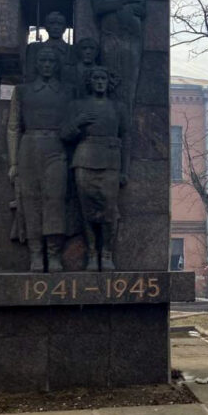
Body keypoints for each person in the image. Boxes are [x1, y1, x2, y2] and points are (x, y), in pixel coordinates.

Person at [7, 45, 93, 272]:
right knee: (31, 202)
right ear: (36, 64)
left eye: (51, 61)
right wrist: (14, 162)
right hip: (29, 147)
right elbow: (14, 127)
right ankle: (36, 254)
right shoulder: (23, 91)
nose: (46, 65)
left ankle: (54, 254)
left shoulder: (68, 91)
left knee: (55, 201)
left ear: (57, 65)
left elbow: (75, 126)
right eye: (43, 61)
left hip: (56, 148)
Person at [68, 66, 130, 271]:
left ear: (109, 81)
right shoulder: (79, 105)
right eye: (96, 78)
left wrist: (124, 170)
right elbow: (64, 134)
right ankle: (92, 253)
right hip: (85, 160)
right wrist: (78, 122)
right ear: (90, 81)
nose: (100, 81)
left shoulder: (118, 107)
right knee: (87, 211)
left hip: (110, 162)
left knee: (109, 210)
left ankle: (107, 253)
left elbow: (127, 138)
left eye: (103, 78)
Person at [88, 0, 145, 117]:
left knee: (130, 82)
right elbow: (99, 7)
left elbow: (142, 9)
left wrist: (127, 7)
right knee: (111, 81)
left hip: (132, 36)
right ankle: (111, 120)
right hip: (111, 35)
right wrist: (126, 0)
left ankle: (126, 120)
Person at [25, 11, 74, 83]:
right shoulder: (35, 48)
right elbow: (30, 75)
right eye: (52, 23)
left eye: (59, 24)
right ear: (46, 27)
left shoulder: (71, 50)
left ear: (64, 27)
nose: (56, 27)